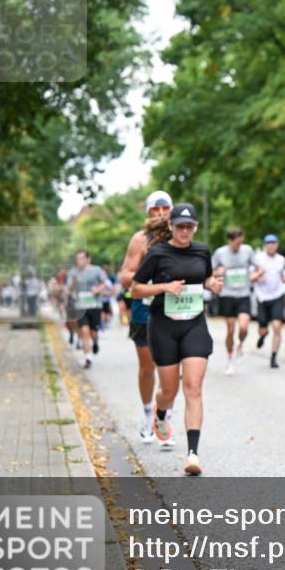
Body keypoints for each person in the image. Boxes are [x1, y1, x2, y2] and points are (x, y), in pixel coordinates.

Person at [131, 203, 223, 475]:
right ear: (171, 226)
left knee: (193, 387)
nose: (185, 231)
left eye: (189, 227)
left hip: (194, 324)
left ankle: (193, 454)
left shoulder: (202, 251)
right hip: (163, 327)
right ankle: (160, 413)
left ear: (195, 228)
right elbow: (135, 289)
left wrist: (213, 284)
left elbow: (206, 277)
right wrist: (164, 287)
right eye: (180, 226)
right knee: (169, 392)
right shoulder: (157, 253)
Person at [119, 190, 174, 443]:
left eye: (165, 208)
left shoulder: (179, 236)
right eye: (155, 209)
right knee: (148, 366)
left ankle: (163, 417)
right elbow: (125, 277)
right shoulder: (140, 239)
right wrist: (150, 275)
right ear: (148, 212)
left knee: (170, 367)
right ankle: (146, 413)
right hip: (144, 309)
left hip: (172, 309)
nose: (160, 213)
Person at [211, 229, 256, 376]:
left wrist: (256, 275)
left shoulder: (248, 250)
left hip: (244, 294)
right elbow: (209, 271)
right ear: (229, 241)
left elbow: (259, 268)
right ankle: (230, 360)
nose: (239, 245)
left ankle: (241, 343)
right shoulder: (220, 253)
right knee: (230, 330)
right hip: (227, 295)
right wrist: (217, 272)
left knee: (243, 327)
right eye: (237, 243)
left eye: (241, 242)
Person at [251, 234, 285, 369]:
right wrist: (258, 276)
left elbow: (282, 276)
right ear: (265, 245)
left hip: (277, 296)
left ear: (277, 245)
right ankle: (262, 336)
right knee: (263, 329)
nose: (271, 246)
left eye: (273, 243)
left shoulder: (281, 260)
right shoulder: (258, 258)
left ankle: (273, 357)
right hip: (262, 297)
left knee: (277, 326)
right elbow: (251, 276)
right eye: (268, 243)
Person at [67, 250, 107, 368]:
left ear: (88, 259)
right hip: (80, 306)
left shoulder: (96, 270)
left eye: (82, 258)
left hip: (95, 305)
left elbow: (105, 283)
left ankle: (95, 341)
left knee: (93, 332)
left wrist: (98, 290)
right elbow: (69, 289)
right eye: (77, 259)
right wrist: (73, 283)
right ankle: (88, 358)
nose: (79, 261)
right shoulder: (73, 272)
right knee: (84, 331)